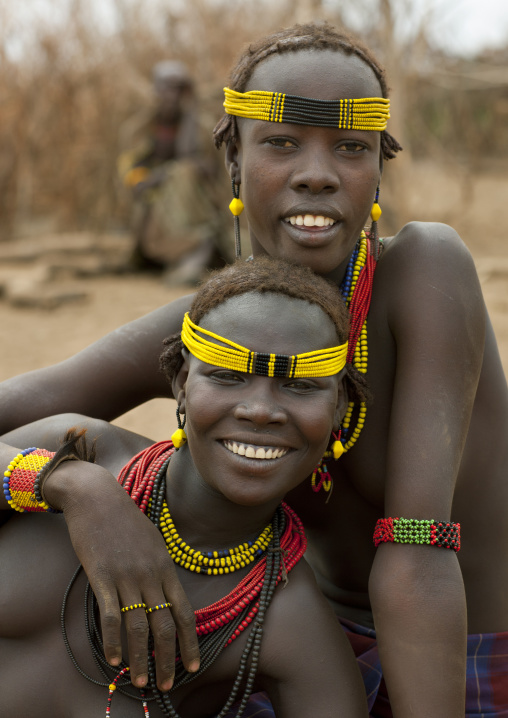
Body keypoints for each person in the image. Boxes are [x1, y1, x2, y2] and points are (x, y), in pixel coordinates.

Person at [1, 22, 508, 717]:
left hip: (460, 660)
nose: (317, 172)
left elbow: (418, 549)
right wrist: (76, 488)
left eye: (351, 148)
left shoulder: (423, 274)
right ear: (234, 160)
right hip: (299, 651)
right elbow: (28, 406)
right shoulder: (220, 324)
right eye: (281, 142)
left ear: (378, 169)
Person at [0, 259, 369, 718]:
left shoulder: (287, 621)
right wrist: (76, 488)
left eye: (298, 385)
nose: (259, 410)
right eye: (228, 376)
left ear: (339, 409)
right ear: (180, 383)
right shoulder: (82, 453)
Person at [118, 60, 232, 282]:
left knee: (186, 172)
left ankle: (199, 246)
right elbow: (136, 184)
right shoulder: (137, 130)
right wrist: (168, 175)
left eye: (179, 89)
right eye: (166, 88)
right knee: (182, 172)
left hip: (201, 211)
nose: (172, 95)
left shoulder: (201, 125)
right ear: (155, 90)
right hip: (154, 214)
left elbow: (207, 169)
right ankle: (190, 249)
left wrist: (192, 108)